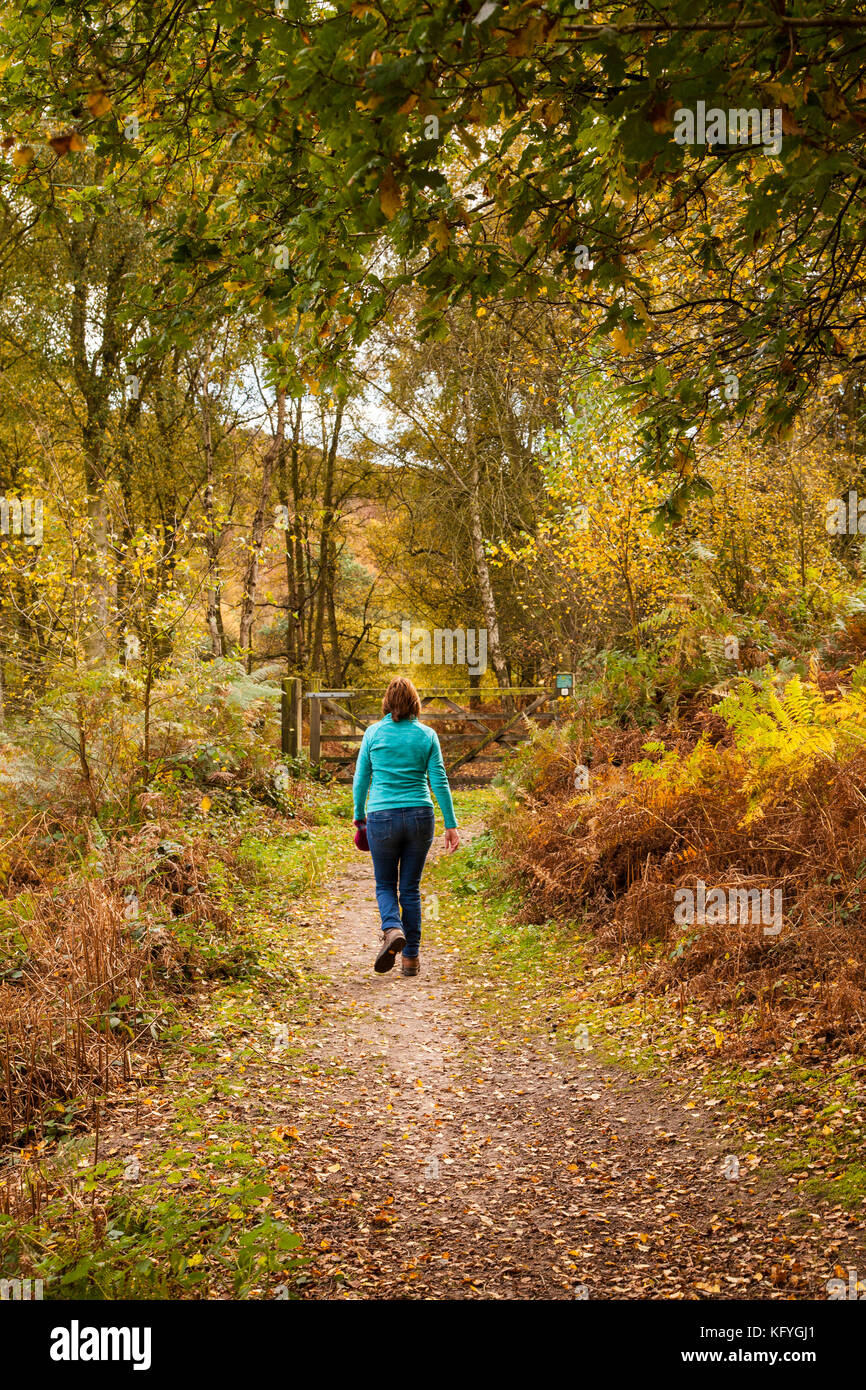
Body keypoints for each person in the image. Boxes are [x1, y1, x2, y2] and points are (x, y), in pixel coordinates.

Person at [353, 676, 459, 977]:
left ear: (387, 703)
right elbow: (439, 781)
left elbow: (361, 779)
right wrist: (450, 825)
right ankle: (410, 958)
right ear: (416, 704)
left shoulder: (373, 733)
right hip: (420, 816)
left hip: (381, 816)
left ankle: (392, 928)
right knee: (409, 888)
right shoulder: (427, 735)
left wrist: (359, 815)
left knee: (385, 884)